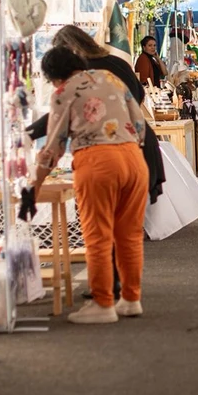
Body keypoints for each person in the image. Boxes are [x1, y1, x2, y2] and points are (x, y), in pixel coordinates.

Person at [33, 46, 148, 324]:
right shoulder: (110, 78)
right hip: (134, 158)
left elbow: (53, 147)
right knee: (129, 236)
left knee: (98, 237)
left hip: (97, 162)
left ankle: (103, 303)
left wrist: (34, 186)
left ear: (54, 77)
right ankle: (131, 299)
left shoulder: (63, 92)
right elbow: (140, 123)